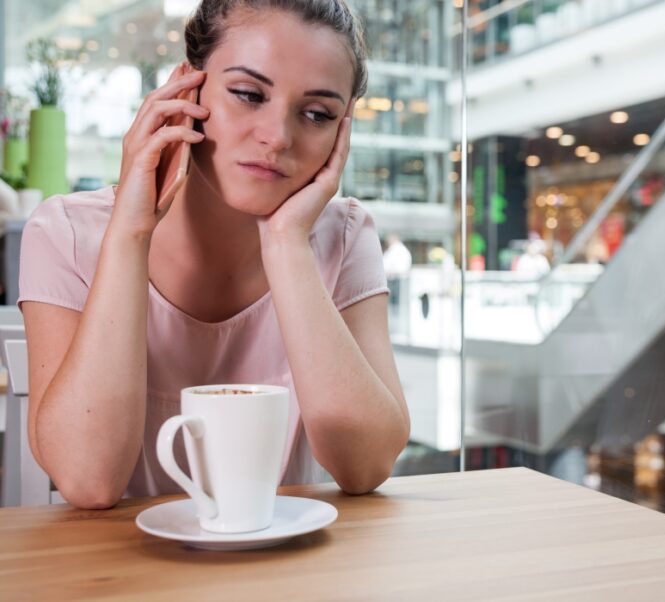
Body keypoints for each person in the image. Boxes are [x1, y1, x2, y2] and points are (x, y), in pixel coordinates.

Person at [18, 0, 410, 509]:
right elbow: (88, 480)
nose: (277, 137)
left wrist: (287, 244)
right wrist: (130, 235)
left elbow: (367, 465)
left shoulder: (345, 235)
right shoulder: (66, 232)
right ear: (186, 87)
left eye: (317, 114)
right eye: (248, 94)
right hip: (121, 581)